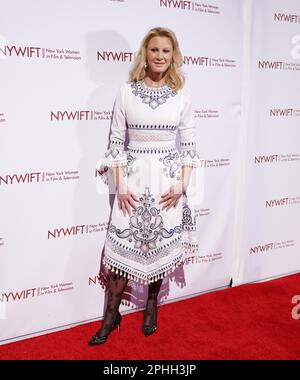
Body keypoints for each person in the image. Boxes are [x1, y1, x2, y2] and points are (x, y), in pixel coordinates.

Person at [88, 26, 200, 346]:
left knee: (160, 244)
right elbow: (115, 141)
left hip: (167, 182)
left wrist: (182, 185)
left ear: (173, 55)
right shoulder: (126, 91)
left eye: (166, 51)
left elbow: (190, 144)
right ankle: (111, 317)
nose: (160, 56)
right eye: (154, 50)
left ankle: (151, 307)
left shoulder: (183, 93)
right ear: (145, 53)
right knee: (122, 248)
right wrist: (120, 185)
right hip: (133, 180)